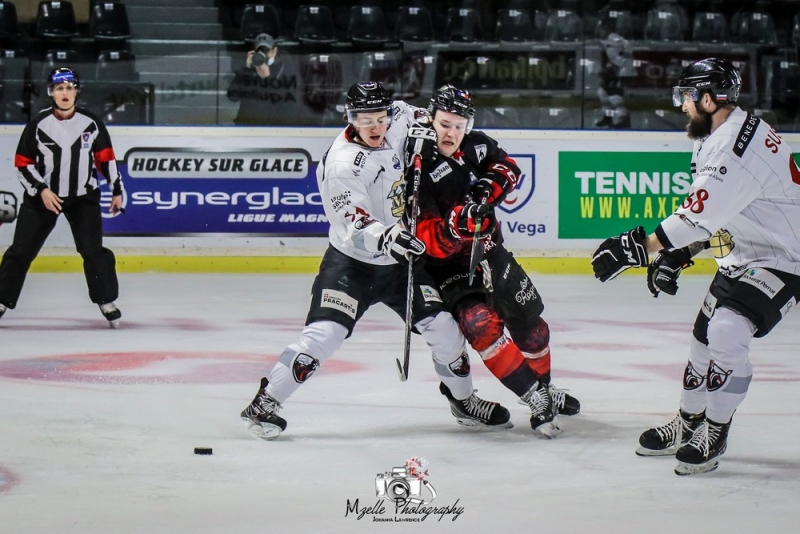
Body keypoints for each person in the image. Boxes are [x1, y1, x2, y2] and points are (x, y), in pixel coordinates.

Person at [240, 81, 511, 440]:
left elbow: (431, 119)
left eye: (380, 118)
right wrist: (389, 236)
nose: (374, 127)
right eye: (364, 119)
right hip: (352, 264)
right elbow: (351, 219)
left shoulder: (399, 114)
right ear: (349, 117)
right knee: (324, 335)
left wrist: (428, 133)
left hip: (400, 265)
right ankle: (265, 403)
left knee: (446, 331)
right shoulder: (341, 164)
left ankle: (463, 402)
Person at [591, 58, 800, 475]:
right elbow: (719, 211)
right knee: (702, 341)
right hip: (745, 252)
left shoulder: (735, 148)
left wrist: (643, 247)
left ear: (708, 99)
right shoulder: (718, 134)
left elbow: (696, 215)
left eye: (686, 97)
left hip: (785, 260)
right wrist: (680, 253)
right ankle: (689, 424)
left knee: (726, 330)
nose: (681, 106)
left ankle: (715, 430)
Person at [408, 85, 581, 438]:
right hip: (449, 269)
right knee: (480, 325)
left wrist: (489, 187)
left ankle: (545, 388)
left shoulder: (476, 144)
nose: (451, 133)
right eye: (444, 124)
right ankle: (536, 398)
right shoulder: (417, 163)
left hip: (491, 252)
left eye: (459, 125)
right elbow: (424, 236)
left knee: (533, 327)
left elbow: (508, 167)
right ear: (430, 118)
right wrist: (457, 223)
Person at [0, 68, 124, 327]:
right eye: (59, 88)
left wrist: (116, 190)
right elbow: (23, 163)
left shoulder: (91, 123)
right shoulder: (38, 124)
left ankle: (106, 301)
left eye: (69, 88)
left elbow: (106, 159)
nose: (65, 93)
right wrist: (42, 190)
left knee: (93, 251)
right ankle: (1, 300)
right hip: (43, 197)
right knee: (21, 251)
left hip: (83, 197)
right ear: (51, 93)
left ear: (77, 91)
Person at [226, 33, 292, 126]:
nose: (264, 55)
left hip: (274, 127)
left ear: (275, 51)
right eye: (260, 51)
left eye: (267, 51)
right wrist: (246, 70)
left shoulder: (284, 70)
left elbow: (285, 103)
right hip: (247, 125)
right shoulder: (248, 71)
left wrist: (268, 78)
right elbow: (232, 97)